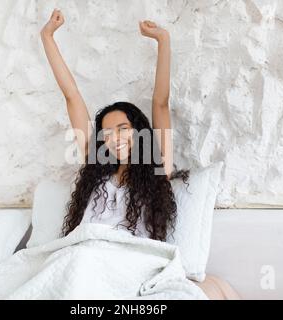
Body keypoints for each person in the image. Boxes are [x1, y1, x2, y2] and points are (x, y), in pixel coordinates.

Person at [41, 9, 190, 242]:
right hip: (86, 254)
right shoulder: (96, 165)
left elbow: (160, 103)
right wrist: (47, 37)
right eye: (107, 133)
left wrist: (163, 39)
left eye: (123, 129)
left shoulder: (159, 166)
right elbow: (72, 96)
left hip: (126, 262)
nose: (115, 138)